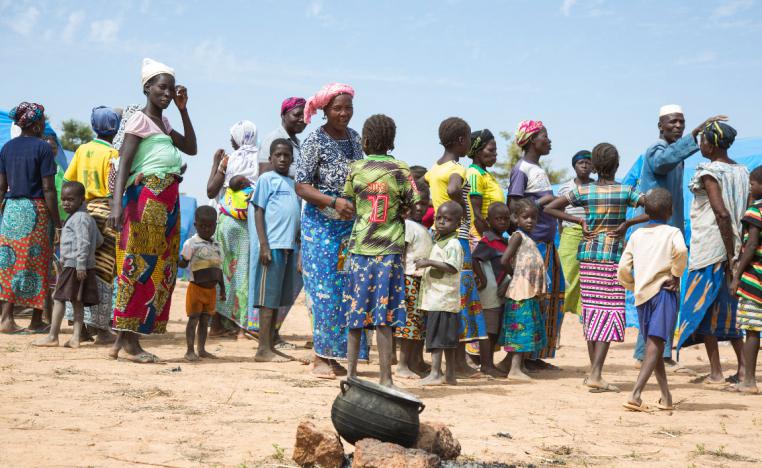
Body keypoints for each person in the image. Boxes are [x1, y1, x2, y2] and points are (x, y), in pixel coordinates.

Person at [107, 58, 197, 363]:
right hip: (147, 200)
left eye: (171, 89)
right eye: (162, 87)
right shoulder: (139, 121)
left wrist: (184, 110)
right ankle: (131, 345)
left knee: (156, 267)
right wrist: (116, 204)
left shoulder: (165, 123)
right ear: (147, 88)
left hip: (166, 201)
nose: (168, 94)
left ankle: (122, 340)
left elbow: (192, 148)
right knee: (140, 267)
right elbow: (124, 164)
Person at [545, 143, 646, 392]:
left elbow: (549, 207)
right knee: (609, 313)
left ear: (595, 166)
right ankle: (596, 373)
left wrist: (578, 219)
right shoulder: (626, 191)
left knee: (591, 313)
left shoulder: (585, 191)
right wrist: (628, 222)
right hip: (612, 258)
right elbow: (655, 206)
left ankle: (593, 371)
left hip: (588, 257)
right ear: (617, 165)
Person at [632, 105, 728, 367]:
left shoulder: (676, 153)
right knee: (654, 293)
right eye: (673, 122)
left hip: (669, 232)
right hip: (653, 234)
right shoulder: (657, 150)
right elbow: (663, 163)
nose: (678, 126)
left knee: (666, 292)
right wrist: (695, 134)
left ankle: (654, 353)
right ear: (660, 125)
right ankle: (650, 354)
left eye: (682, 123)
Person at [295, 82, 368, 379]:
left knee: (346, 291)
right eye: (337, 108)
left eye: (348, 108)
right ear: (325, 110)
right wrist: (333, 201)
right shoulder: (314, 141)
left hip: (349, 226)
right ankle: (319, 358)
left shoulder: (354, 138)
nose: (344, 113)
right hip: (321, 226)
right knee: (323, 291)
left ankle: (337, 356)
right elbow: (301, 185)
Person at [343, 114, 417, 387]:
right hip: (390, 251)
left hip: (361, 250)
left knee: (355, 314)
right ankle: (386, 378)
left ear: (365, 140)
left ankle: (351, 375)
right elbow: (413, 204)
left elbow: (348, 202)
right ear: (392, 141)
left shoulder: (356, 169)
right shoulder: (401, 170)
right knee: (384, 317)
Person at [676, 121, 747, 384]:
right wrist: (736, 254)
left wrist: (728, 253)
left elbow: (721, 213)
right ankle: (742, 369)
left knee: (704, 308)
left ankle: (716, 371)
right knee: (731, 310)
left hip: (712, 249)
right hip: (736, 247)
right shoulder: (742, 171)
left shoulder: (708, 172)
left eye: (702, 141)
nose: (700, 146)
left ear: (712, 144)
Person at [425, 117, 489, 378]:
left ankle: (455, 362)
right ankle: (458, 363)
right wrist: (459, 208)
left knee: (445, 296)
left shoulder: (432, 169)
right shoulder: (457, 169)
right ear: (461, 141)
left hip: (437, 235)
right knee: (460, 298)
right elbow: (453, 188)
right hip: (458, 235)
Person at [619, 188, 688, 411]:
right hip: (664, 292)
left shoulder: (636, 235)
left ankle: (666, 396)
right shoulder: (673, 232)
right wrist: (676, 275)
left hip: (642, 296)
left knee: (654, 343)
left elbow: (623, 268)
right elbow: (682, 251)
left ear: (646, 211)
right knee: (655, 343)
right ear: (670, 211)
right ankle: (636, 394)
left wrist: (632, 285)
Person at [0, 102, 61, 334]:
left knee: (9, 263)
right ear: (35, 125)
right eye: (43, 121)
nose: (44, 125)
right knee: (38, 264)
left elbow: (1, 186)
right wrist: (57, 221)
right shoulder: (43, 148)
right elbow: (48, 189)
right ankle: (36, 320)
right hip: (36, 211)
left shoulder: (6, 149)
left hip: (12, 210)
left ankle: (6, 318)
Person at [62, 106, 120, 344]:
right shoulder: (113, 154)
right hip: (105, 213)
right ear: (115, 129)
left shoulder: (82, 149)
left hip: (82, 211)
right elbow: (116, 187)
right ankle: (102, 329)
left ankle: (81, 327)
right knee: (104, 271)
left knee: (80, 266)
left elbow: (68, 179)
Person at [507, 120, 563, 369]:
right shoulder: (522, 170)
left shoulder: (536, 169)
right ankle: (525, 357)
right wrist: (544, 203)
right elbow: (514, 207)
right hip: (534, 245)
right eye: (544, 135)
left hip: (546, 242)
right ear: (531, 140)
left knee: (549, 297)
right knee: (533, 299)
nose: (549, 140)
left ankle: (536, 355)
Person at [250, 139, 302, 362]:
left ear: (292, 158)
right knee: (267, 300)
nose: (282, 159)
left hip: (289, 247)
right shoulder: (265, 180)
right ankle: (262, 349)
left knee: (278, 298)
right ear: (270, 158)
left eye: (286, 155)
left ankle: (270, 344)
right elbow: (258, 212)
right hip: (272, 247)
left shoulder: (293, 184)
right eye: (278, 155)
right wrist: (264, 245)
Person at [32, 182, 102, 348]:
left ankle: (52, 336)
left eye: (70, 199)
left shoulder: (78, 218)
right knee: (77, 301)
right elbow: (99, 240)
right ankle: (76, 338)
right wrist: (86, 259)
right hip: (81, 265)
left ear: (81, 199)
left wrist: (80, 264)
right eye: (63, 199)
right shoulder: (86, 218)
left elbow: (84, 241)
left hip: (74, 266)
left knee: (58, 297)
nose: (65, 203)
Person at [206, 120, 257, 337]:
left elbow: (210, 191)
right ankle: (241, 325)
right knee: (244, 274)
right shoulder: (261, 159)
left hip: (226, 222)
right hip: (249, 223)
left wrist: (216, 163)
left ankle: (218, 324)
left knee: (223, 273)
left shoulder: (230, 159)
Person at [498, 199, 548, 380]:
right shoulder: (518, 236)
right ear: (515, 218)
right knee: (521, 330)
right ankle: (515, 370)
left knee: (527, 327)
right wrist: (517, 275)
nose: (530, 221)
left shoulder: (527, 238)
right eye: (525, 217)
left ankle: (508, 364)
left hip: (528, 291)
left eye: (534, 218)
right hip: (520, 291)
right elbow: (504, 261)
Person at [417, 201, 464, 386]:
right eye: (439, 218)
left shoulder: (452, 244)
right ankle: (450, 375)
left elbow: (452, 268)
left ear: (458, 224)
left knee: (437, 339)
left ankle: (436, 373)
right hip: (439, 299)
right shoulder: (440, 241)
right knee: (446, 339)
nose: (441, 222)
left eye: (447, 219)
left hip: (443, 300)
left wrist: (428, 262)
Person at [395, 184, 434, 379]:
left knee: (417, 325)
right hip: (409, 278)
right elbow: (401, 253)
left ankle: (413, 362)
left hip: (420, 280)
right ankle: (402, 365)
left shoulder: (422, 227)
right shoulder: (407, 226)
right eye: (416, 203)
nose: (420, 207)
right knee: (409, 324)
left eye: (424, 204)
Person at [730, 166, 762, 394]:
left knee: (751, 329)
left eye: (752, 184)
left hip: (754, 280)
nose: (750, 188)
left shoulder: (755, 211)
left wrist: (737, 275)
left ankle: (749, 380)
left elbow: (751, 245)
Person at [178, 206, 224, 362]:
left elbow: (219, 270)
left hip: (211, 290)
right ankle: (189, 351)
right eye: (202, 226)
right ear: (195, 225)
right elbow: (184, 262)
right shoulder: (191, 243)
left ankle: (202, 349)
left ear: (215, 226)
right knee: (193, 319)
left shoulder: (217, 245)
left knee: (205, 321)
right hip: (196, 288)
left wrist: (222, 289)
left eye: (209, 226)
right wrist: (177, 260)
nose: (206, 229)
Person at [472, 202, 511, 377]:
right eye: (498, 218)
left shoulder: (503, 241)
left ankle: (489, 364)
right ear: (489, 221)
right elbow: (474, 259)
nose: (503, 222)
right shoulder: (488, 241)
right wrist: (483, 278)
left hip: (499, 291)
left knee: (494, 330)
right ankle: (486, 365)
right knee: (489, 329)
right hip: (489, 292)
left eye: (506, 218)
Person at [557, 150, 593, 316]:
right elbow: (558, 213)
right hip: (570, 234)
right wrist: (563, 233)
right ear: (574, 166)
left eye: (588, 162)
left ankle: (581, 313)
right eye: (581, 162)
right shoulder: (566, 187)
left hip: (591, 235)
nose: (585, 165)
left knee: (586, 275)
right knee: (567, 272)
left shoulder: (596, 186)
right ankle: (562, 310)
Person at [466, 129, 505, 249]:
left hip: (491, 236)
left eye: (496, 150)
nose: (495, 154)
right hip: (481, 238)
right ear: (478, 152)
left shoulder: (487, 175)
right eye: (491, 150)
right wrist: (490, 242)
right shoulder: (474, 174)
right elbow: (477, 215)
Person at [258, 97, 307, 176]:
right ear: (283, 115)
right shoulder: (273, 139)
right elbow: (265, 174)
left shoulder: (298, 143)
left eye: (305, 116)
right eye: (297, 115)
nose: (302, 120)